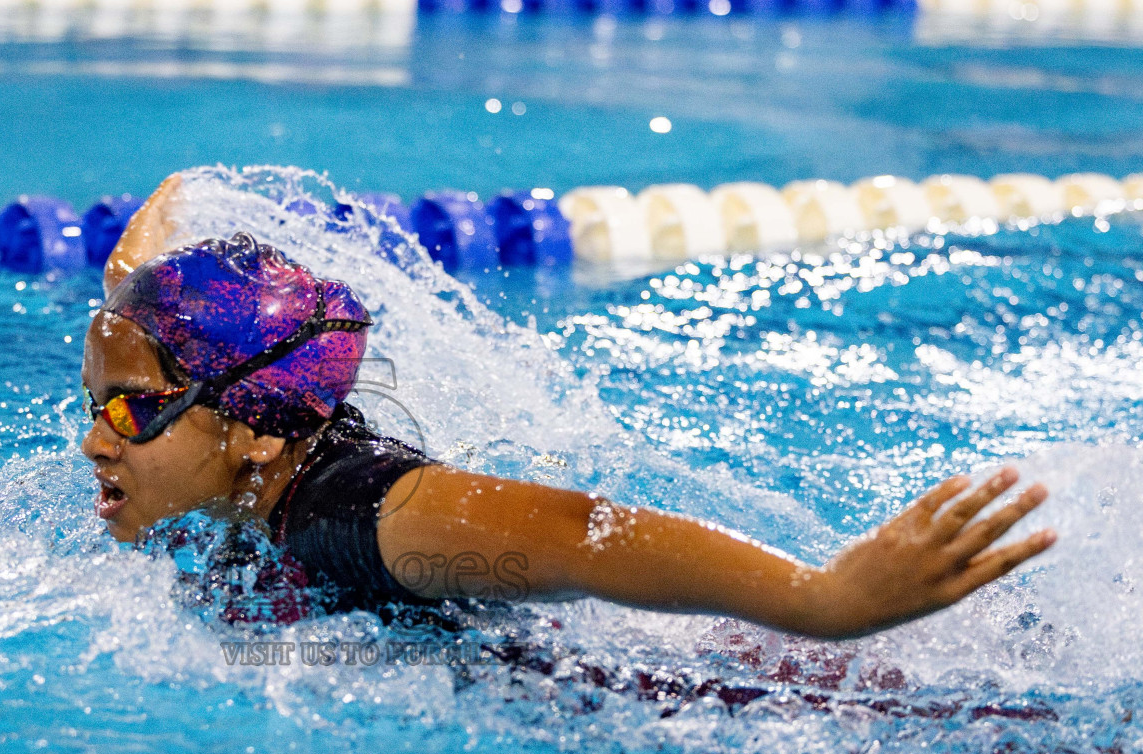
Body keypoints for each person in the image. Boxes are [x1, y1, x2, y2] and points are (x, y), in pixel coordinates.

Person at [81, 175, 1056, 642]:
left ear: (253, 428)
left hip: (710, 702)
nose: (93, 438)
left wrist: (824, 601)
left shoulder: (360, 516)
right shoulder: (231, 432)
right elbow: (146, 316)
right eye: (93, 405)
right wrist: (157, 233)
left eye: (126, 412)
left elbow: (578, 532)